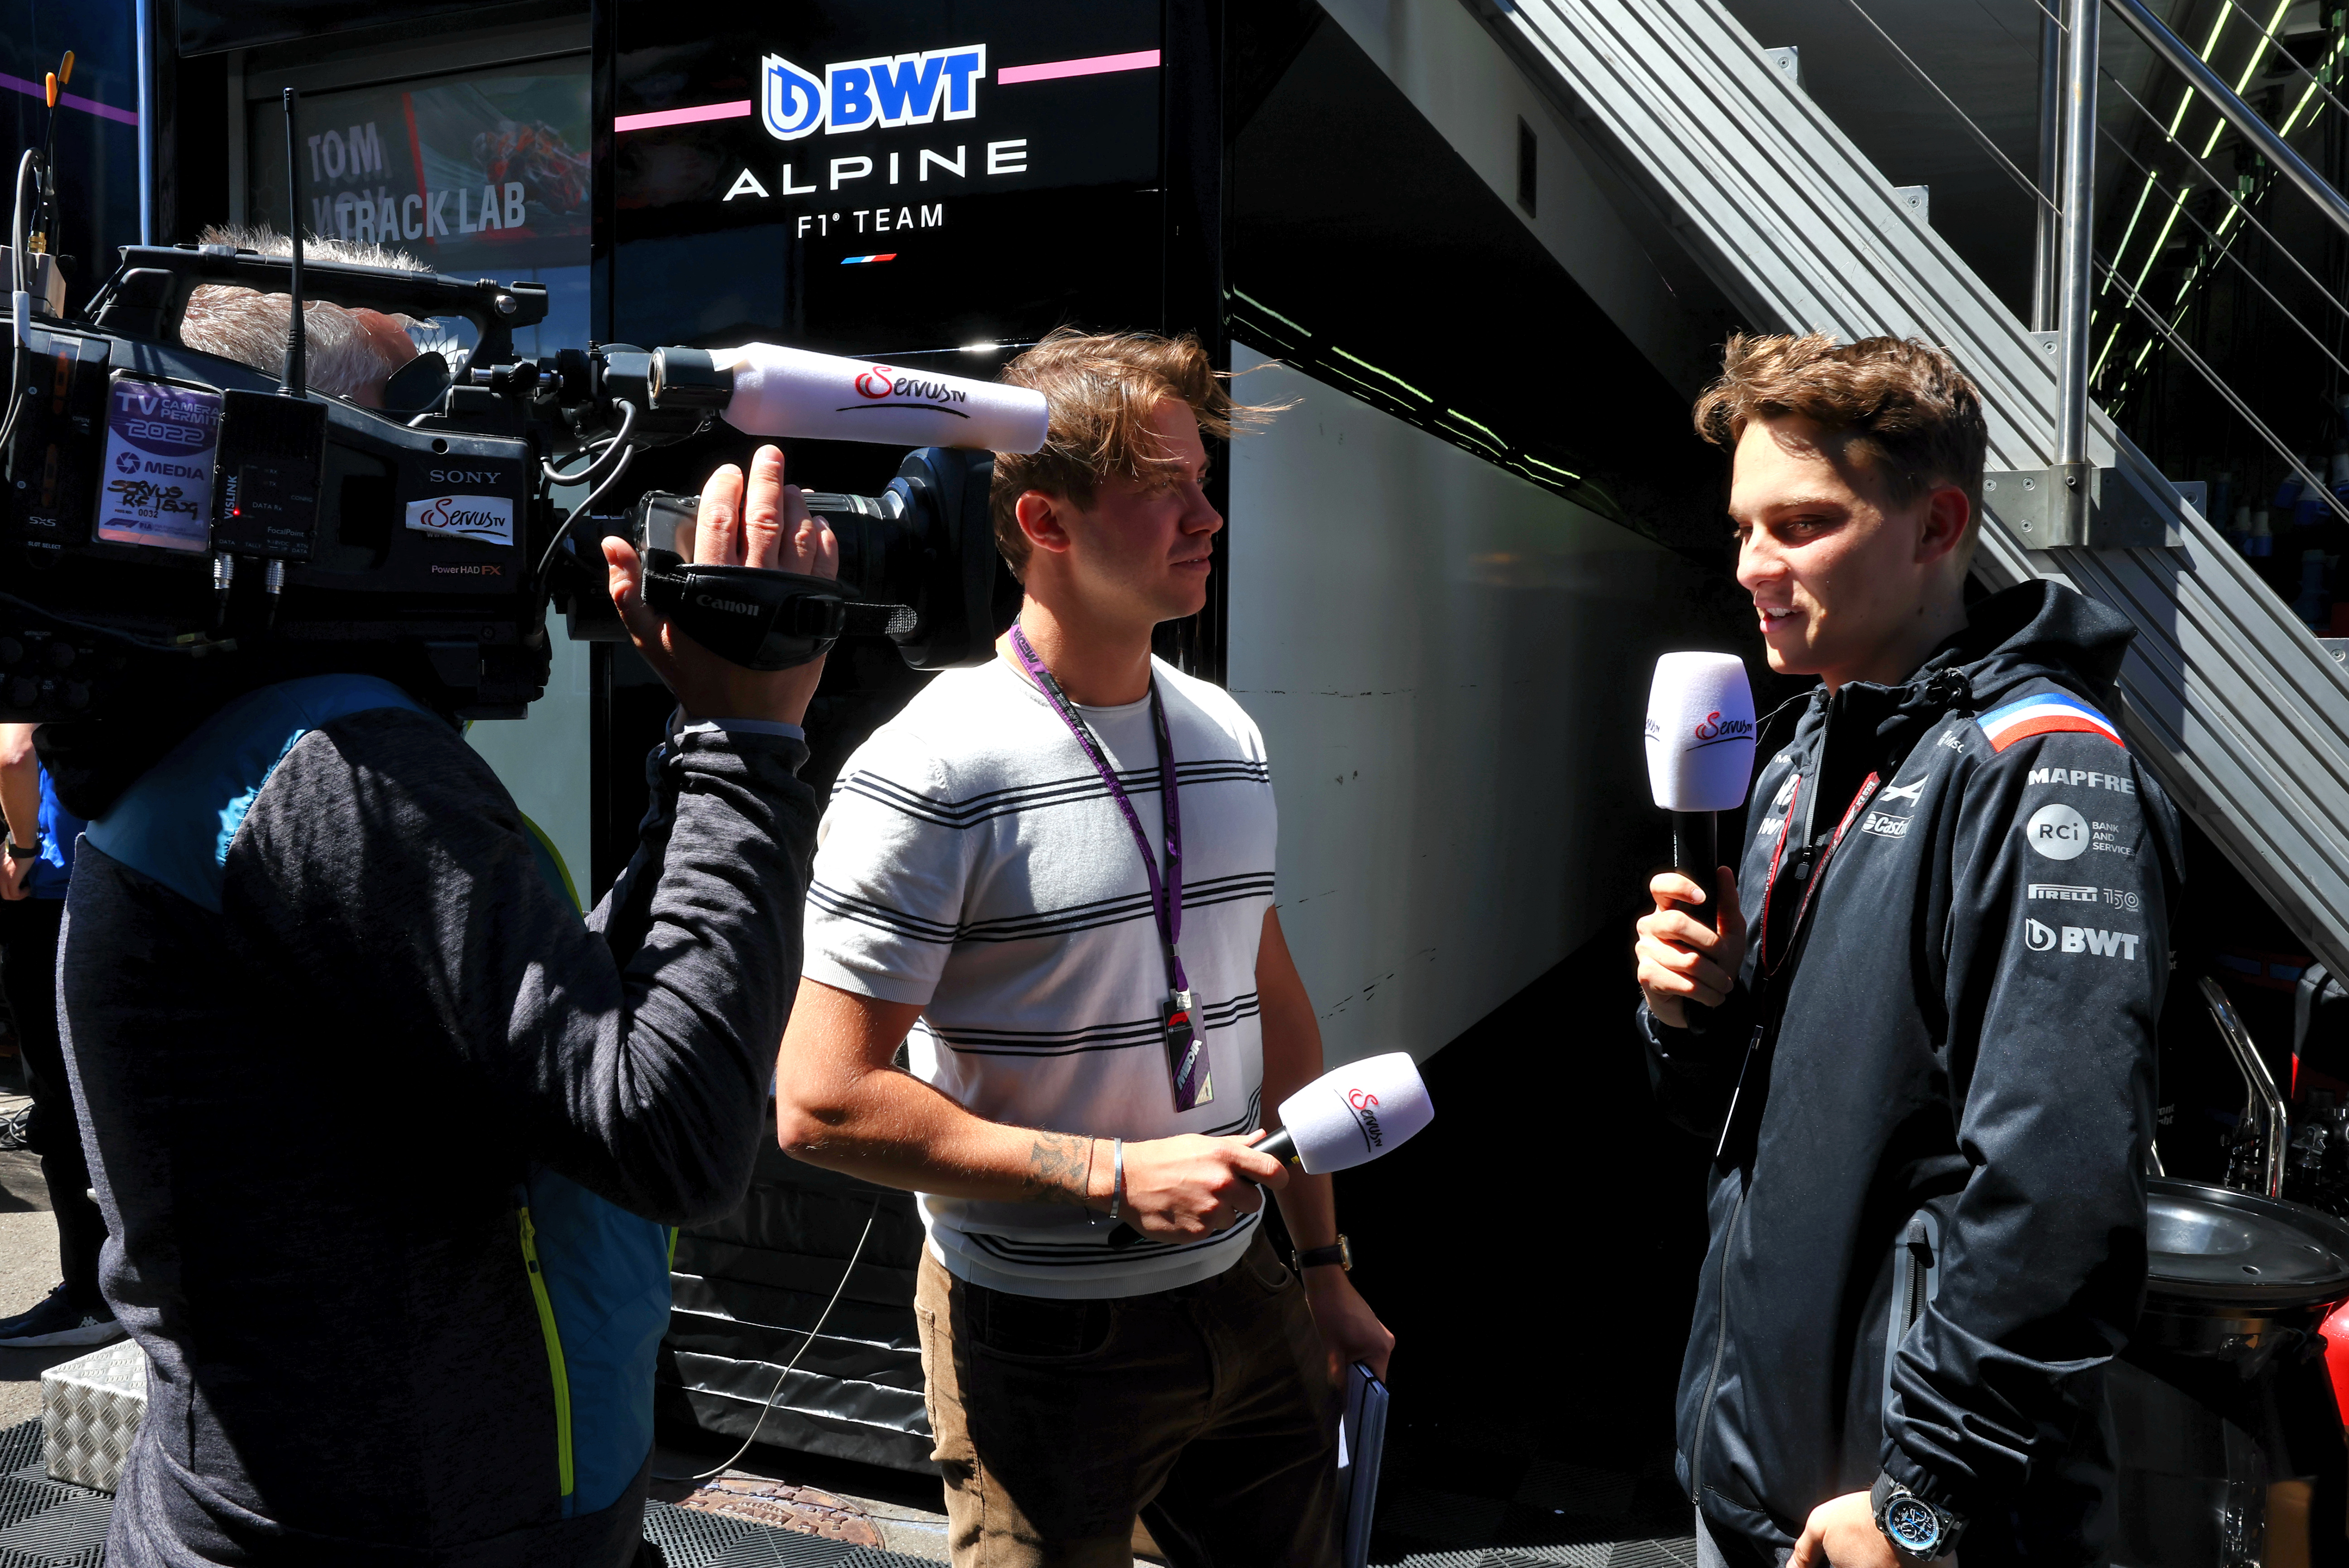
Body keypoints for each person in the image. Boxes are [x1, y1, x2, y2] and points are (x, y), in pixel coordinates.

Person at [52, 438, 835, 1566]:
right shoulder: (327, 764)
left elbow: (568, 1045)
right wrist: (749, 743)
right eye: (409, 434)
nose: (475, 477)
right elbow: (666, 1130)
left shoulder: (248, 736)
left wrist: (709, 744)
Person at [775, 328, 1394, 1568]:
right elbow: (822, 1101)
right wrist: (1116, 1174)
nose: (1208, 515)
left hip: (1249, 1287)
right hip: (1035, 1329)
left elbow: (1274, 1011)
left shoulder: (1223, 728)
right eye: (1166, 488)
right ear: (1046, 522)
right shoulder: (930, 766)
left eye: (1203, 481)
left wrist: (1320, 1262)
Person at [1632, 333, 2179, 1568]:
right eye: (1741, 528)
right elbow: (1746, 1129)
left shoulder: (2045, 770)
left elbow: (2059, 1186)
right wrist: (1692, 1013)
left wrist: (1925, 1491)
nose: (1754, 569)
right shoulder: (1796, 755)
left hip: (1912, 1521)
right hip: (1765, 1483)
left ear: (1937, 527)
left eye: (1804, 524)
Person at [0, 724, 117, 1348]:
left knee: (63, 1106)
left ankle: (93, 1297)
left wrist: (21, 847)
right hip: (115, 873)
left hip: (47, 886)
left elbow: (12, 754)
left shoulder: (34, 642)